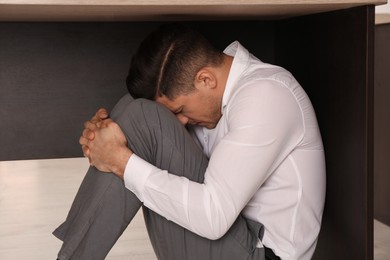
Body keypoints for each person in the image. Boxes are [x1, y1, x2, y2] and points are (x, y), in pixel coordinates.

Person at [54, 23, 326, 260]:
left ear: (205, 79)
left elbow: (213, 217)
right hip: (232, 237)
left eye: (180, 111)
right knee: (133, 107)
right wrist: (104, 138)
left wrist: (121, 162)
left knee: (141, 119)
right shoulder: (220, 94)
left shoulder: (267, 95)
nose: (181, 122)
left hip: (261, 253)